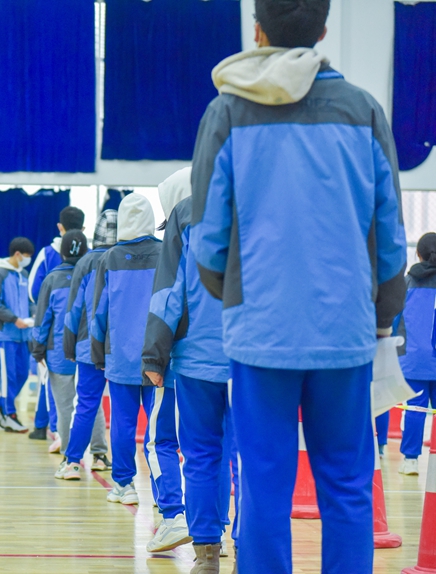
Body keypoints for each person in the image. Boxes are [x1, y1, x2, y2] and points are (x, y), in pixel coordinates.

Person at [190, 1, 407, 571]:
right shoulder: (362, 109)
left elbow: (208, 238)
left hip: (259, 332)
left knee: (264, 488)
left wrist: (236, 294)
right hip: (345, 333)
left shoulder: (227, 111)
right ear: (324, 30)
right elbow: (390, 232)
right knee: (348, 485)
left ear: (258, 31)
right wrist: (382, 313)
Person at [143, 167, 239, 569]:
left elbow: (169, 292)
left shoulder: (184, 214)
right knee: (247, 458)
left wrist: (154, 355)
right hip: (254, 357)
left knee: (201, 455)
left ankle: (207, 555)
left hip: (198, 357)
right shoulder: (263, 200)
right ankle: (246, 548)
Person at [91, 193, 189, 551]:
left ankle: (124, 485)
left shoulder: (109, 259)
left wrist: (98, 353)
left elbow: (99, 310)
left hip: (119, 357)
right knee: (161, 437)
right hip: (159, 359)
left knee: (122, 424)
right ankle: (168, 505)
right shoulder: (166, 252)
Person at [60, 210, 119, 479]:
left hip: (87, 347)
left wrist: (69, 347)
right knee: (123, 412)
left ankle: (73, 463)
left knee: (86, 406)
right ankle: (116, 470)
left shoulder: (85, 262)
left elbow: (73, 310)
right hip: (123, 350)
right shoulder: (128, 258)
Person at [31, 230, 92, 475]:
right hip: (89, 349)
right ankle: (100, 454)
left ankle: (70, 460)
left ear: (62, 252)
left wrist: (37, 349)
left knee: (65, 406)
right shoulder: (93, 274)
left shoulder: (52, 279)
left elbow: (42, 318)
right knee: (92, 404)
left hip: (58, 351)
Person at [27, 206, 85, 442]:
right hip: (86, 338)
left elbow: (33, 292)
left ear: (60, 226)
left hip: (54, 333)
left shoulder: (47, 254)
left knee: (53, 385)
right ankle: (94, 448)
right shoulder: (92, 258)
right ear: (83, 228)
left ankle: (51, 431)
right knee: (86, 396)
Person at [0, 237, 35, 433]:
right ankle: (9, 415)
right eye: (26, 256)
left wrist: (34, 314)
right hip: (5, 335)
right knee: (9, 377)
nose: (27, 260)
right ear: (17, 254)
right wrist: (14, 319)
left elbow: (30, 301)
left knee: (22, 374)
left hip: (24, 335)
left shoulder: (24, 274)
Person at [396, 233, 436, 475]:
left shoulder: (408, 282)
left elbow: (394, 319)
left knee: (415, 408)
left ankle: (410, 460)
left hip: (415, 358)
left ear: (418, 253)